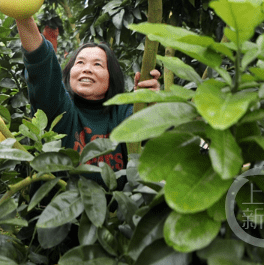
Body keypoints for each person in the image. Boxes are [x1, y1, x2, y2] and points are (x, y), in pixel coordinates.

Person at [16, 16, 160, 180]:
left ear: (111, 76)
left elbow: (154, 143)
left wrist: (150, 106)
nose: (87, 69)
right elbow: (41, 63)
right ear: (69, 72)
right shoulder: (60, 109)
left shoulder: (123, 111)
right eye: (80, 63)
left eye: (97, 64)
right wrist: (23, 14)